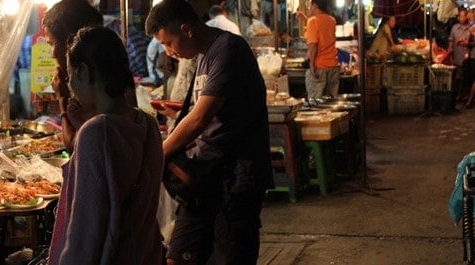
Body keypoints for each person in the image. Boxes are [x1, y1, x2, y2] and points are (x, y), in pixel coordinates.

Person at [145, 0, 273, 264]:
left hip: (236, 178)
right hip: (205, 178)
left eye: (169, 42)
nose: (168, 51)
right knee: (178, 255)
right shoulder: (204, 56)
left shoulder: (229, 49)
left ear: (187, 29)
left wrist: (157, 155)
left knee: (231, 255)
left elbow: (200, 118)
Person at [48, 26, 163, 265]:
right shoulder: (148, 125)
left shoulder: (95, 133)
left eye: (70, 77)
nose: (70, 87)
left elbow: (85, 233)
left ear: (84, 72)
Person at [42, 0, 103, 154]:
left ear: (70, 41)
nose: (52, 54)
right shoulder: (107, 74)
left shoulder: (95, 87)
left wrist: (62, 97)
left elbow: (74, 147)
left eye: (52, 44)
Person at [302, 0, 340, 99]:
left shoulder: (313, 21)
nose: (309, 8)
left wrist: (311, 65)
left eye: (310, 5)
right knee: (331, 103)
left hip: (319, 66)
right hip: (333, 66)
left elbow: (313, 45)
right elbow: (322, 32)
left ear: (315, 5)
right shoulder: (331, 20)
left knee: (315, 104)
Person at [449, 9, 472, 101]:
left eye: (463, 16)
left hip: (468, 57)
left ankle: (466, 94)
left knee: (466, 78)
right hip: (457, 56)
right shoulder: (454, 28)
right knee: (457, 78)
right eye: (460, 16)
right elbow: (451, 40)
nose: (462, 18)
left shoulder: (471, 28)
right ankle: (458, 94)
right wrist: (450, 48)